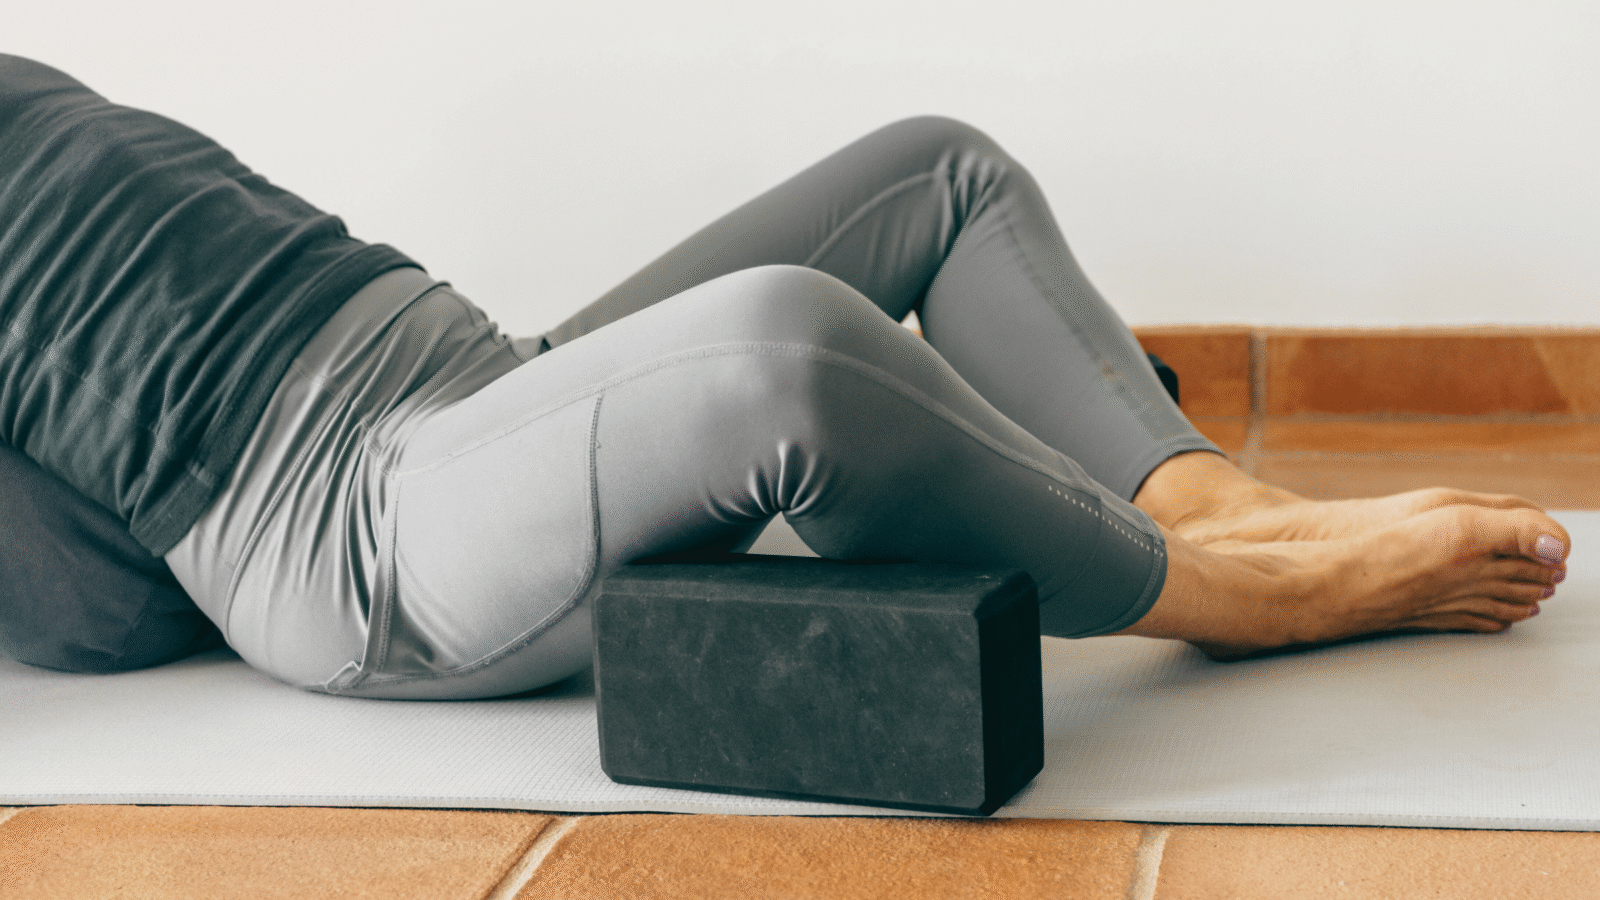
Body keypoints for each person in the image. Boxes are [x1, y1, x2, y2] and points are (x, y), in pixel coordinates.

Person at [0, 54, 1570, 699]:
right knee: (784, 344)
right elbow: (92, 605)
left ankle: (1223, 501)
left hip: (465, 372)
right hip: (360, 528)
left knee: (937, 172)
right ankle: (1244, 594)